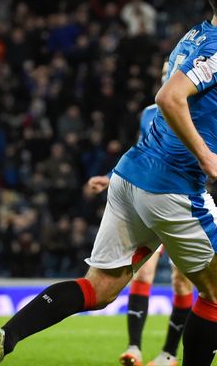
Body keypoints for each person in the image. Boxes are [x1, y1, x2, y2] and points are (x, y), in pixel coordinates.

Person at [0, 0, 217, 366]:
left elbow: (187, 102)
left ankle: (7, 336)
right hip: (173, 186)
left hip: (130, 178)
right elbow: (168, 99)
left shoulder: (195, 35)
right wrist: (206, 154)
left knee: (100, 288)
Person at [85, 63, 195, 366]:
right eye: (164, 70)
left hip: (183, 197)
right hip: (149, 196)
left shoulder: (195, 107)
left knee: (181, 282)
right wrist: (111, 177)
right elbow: (141, 152)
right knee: (142, 272)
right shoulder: (149, 113)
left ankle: (169, 354)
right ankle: (134, 347)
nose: (166, 73)